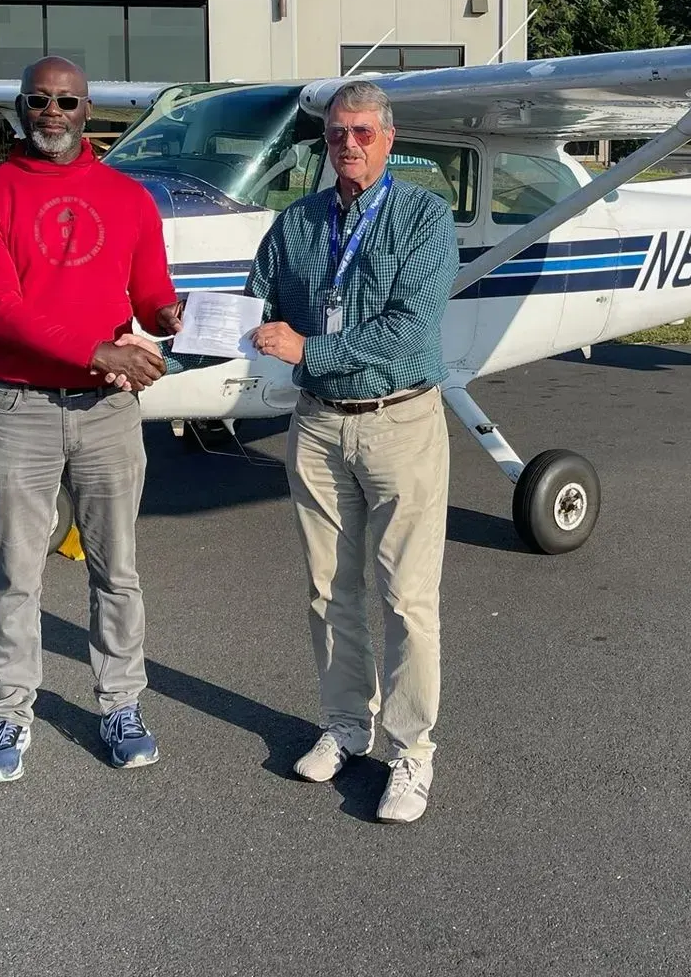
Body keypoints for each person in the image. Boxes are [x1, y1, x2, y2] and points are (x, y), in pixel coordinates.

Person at [0, 56, 180, 783]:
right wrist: (97, 349)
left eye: (68, 101)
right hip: (22, 405)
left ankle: (119, 702)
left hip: (110, 411)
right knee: (16, 573)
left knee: (117, 570)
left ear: (89, 111)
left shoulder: (129, 198)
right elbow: (4, 312)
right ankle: (9, 710)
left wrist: (174, 318)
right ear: (22, 108)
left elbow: (152, 295)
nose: (53, 112)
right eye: (40, 100)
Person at [247, 80, 459, 824]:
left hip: (400, 420)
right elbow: (256, 301)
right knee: (326, 590)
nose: (350, 145)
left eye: (364, 132)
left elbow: (409, 329)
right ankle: (344, 725)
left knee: (406, 598)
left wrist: (310, 346)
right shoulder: (297, 223)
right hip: (318, 425)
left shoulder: (425, 218)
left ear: (389, 138)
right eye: (337, 134)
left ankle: (411, 754)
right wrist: (173, 333)